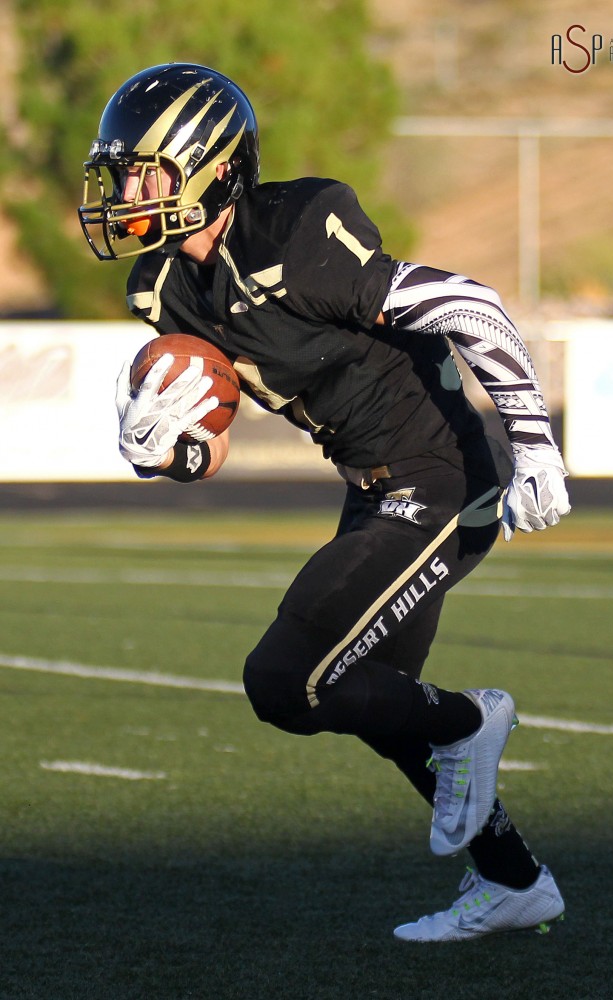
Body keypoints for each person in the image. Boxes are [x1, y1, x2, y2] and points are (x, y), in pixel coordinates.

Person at [79, 63, 570, 941]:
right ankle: (513, 879)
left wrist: (534, 442)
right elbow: (212, 444)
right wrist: (168, 448)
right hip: (375, 485)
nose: (122, 194)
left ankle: (471, 720)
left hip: (443, 475)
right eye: (118, 176)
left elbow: (469, 304)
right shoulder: (163, 288)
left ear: (207, 166)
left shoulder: (294, 234)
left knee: (284, 681)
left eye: (140, 173)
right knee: (376, 700)